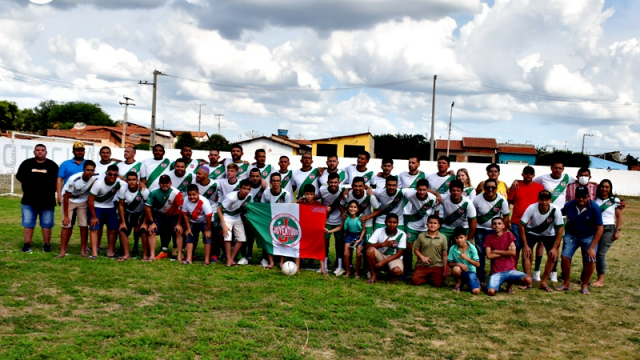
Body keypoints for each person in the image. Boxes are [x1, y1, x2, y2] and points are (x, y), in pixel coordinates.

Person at [557, 186, 603, 295]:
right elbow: (559, 214)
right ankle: (566, 283)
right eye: (578, 197)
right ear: (575, 196)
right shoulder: (569, 205)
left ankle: (584, 285)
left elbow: (600, 228)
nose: (581, 199)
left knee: (591, 259)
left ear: (589, 197)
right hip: (572, 235)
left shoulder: (595, 208)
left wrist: (592, 247)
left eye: (584, 197)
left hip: (589, 236)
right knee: (565, 257)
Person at [16, 144, 59, 253]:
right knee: (28, 223)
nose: (40, 152)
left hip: (47, 201)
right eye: (38, 150)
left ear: (46, 152)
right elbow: (19, 176)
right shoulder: (26, 164)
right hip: (29, 200)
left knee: (47, 224)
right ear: (34, 152)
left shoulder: (52, 165)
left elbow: (58, 180)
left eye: (42, 150)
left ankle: (47, 245)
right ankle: (27, 244)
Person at [519, 190, 564, 291]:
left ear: (550, 200)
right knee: (526, 253)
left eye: (546, 200)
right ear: (538, 200)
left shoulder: (555, 209)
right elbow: (521, 224)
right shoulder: (532, 207)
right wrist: (525, 245)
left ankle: (543, 282)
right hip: (532, 232)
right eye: (542, 200)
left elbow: (560, 228)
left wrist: (555, 247)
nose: (544, 202)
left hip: (549, 234)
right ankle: (528, 280)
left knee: (553, 255)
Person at [473, 178, 511, 284]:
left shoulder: (502, 200)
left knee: (495, 254)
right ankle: (480, 276)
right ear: (484, 188)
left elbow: (506, 216)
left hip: (495, 231)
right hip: (480, 229)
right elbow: (473, 216)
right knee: (480, 253)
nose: (490, 189)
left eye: (493, 187)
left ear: (496, 188)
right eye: (488, 187)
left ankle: (495, 275)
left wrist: (504, 232)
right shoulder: (477, 199)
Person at [507, 166, 544, 271]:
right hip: (516, 222)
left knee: (528, 248)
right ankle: (513, 270)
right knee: (516, 247)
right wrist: (506, 218)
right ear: (522, 174)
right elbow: (508, 202)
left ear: (533, 175)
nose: (528, 175)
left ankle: (527, 273)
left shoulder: (539, 187)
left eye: (530, 173)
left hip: (532, 223)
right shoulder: (516, 186)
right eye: (526, 173)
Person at [58, 161, 97, 257]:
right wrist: (66, 216)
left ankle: (83, 250)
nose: (90, 172)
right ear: (83, 170)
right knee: (66, 225)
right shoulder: (74, 179)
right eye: (87, 170)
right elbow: (66, 197)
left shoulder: (95, 178)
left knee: (84, 226)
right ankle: (62, 251)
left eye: (92, 170)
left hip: (82, 201)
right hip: (69, 200)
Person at [485, 218, 532, 296]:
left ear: (503, 226)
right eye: (494, 224)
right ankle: (500, 283)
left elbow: (513, 253)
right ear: (491, 226)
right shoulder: (489, 237)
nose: (497, 225)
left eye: (499, 223)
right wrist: (507, 252)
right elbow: (489, 255)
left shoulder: (509, 235)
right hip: (497, 272)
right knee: (491, 292)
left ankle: (509, 284)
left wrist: (496, 251)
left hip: (510, 271)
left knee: (528, 280)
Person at [142, 175, 184, 261]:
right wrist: (151, 222)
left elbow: (182, 209)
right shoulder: (154, 192)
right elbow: (147, 207)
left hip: (174, 216)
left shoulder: (176, 193)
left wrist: (179, 224)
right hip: (159, 215)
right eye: (162, 183)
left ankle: (179, 254)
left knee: (179, 231)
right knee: (151, 230)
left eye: (167, 183)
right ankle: (152, 255)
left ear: (170, 183)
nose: (165, 185)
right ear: (159, 183)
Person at [87, 165, 125, 259]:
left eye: (115, 175)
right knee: (94, 227)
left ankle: (111, 251)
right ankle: (94, 253)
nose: (112, 176)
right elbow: (90, 200)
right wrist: (93, 216)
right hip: (96, 206)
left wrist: (141, 184)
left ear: (117, 176)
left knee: (113, 228)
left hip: (109, 206)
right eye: (110, 174)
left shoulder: (119, 182)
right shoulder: (99, 183)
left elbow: (130, 183)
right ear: (106, 174)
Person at [403, 179, 438, 276]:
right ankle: (408, 271)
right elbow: (398, 191)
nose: (421, 192)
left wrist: (434, 226)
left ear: (428, 189)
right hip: (412, 225)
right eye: (419, 190)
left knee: (425, 248)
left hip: (425, 227)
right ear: (416, 189)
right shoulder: (410, 194)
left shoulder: (433, 198)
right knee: (408, 246)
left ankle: (421, 270)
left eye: (424, 190)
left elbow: (437, 212)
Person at [591, 180, 622, 287]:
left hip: (608, 229)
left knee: (601, 254)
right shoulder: (595, 199)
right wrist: (594, 183)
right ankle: (585, 276)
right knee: (591, 253)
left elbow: (618, 216)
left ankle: (600, 280)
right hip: (595, 228)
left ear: (610, 188)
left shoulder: (614, 200)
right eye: (602, 186)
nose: (604, 189)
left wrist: (618, 230)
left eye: (607, 187)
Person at [325, 200, 366, 278]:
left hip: (358, 236)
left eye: (355, 207)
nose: (353, 209)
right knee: (346, 254)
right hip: (349, 236)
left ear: (358, 209)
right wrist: (329, 231)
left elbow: (364, 229)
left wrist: (360, 239)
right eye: (351, 207)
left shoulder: (360, 217)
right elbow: (340, 227)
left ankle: (357, 272)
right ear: (347, 208)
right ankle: (348, 272)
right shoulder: (346, 217)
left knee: (358, 253)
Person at [260, 172, 292, 269]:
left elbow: (288, 209)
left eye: (278, 181)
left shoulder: (286, 194)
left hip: (282, 220)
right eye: (273, 181)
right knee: (268, 239)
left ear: (281, 182)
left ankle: (282, 261)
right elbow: (262, 207)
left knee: (283, 239)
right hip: (269, 219)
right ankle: (271, 262)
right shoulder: (266, 192)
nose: (275, 183)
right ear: (270, 182)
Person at [218, 179, 253, 267]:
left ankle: (231, 258)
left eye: (248, 189)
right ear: (239, 188)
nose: (246, 191)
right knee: (227, 238)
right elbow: (219, 209)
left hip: (237, 216)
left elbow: (249, 208)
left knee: (242, 239)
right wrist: (224, 225)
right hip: (227, 216)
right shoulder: (231, 197)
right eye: (244, 188)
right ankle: (229, 260)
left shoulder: (249, 196)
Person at [117, 171, 150, 261]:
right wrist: (122, 222)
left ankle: (145, 255)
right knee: (122, 230)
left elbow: (148, 207)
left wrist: (145, 223)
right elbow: (121, 205)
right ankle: (126, 254)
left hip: (141, 214)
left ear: (137, 180)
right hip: (129, 213)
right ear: (126, 180)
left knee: (143, 230)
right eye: (129, 180)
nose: (131, 182)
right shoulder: (123, 189)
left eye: (134, 180)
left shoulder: (144, 191)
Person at [365, 213, 406, 284]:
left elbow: (399, 253)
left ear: (398, 223)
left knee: (397, 272)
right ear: (385, 222)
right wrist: (382, 244)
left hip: (394, 257)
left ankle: (390, 274)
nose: (392, 224)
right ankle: (374, 275)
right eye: (389, 222)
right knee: (370, 250)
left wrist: (383, 262)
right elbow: (367, 246)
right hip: (381, 255)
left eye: (394, 222)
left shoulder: (402, 234)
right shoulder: (379, 231)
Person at [320, 172, 346, 275]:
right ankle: (325, 265)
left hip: (339, 222)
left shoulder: (343, 190)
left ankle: (339, 266)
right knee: (325, 244)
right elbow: (314, 197)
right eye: (331, 182)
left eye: (335, 182)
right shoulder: (322, 190)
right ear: (327, 182)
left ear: (339, 182)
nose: (333, 184)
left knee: (339, 245)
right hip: (326, 221)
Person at [411, 215, 448, 287]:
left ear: (438, 225)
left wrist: (445, 270)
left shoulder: (443, 237)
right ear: (427, 224)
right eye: (430, 223)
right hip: (422, 265)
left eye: (435, 223)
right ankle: (427, 276)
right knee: (415, 281)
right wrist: (422, 257)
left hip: (437, 265)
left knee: (439, 284)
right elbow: (416, 250)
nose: (432, 225)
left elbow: (444, 255)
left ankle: (431, 276)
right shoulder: (421, 236)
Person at [438, 180, 477, 246]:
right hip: (446, 227)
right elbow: (430, 193)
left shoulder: (468, 203)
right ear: (450, 191)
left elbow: (473, 222)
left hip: (463, 228)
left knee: (461, 249)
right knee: (439, 245)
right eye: (453, 190)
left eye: (458, 190)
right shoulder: (444, 198)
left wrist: (469, 238)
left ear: (462, 191)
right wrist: (436, 194)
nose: (456, 193)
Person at [181, 184, 214, 265]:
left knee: (207, 238)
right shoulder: (186, 200)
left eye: (194, 195)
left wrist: (207, 230)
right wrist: (188, 228)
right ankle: (189, 259)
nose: (192, 197)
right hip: (193, 221)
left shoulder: (204, 202)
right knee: (189, 237)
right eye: (190, 195)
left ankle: (206, 261)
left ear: (198, 194)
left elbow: (209, 216)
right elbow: (185, 214)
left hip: (206, 221)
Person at [194, 166, 221, 262]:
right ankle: (192, 253)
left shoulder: (215, 184)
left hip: (212, 212)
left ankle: (215, 254)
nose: (197, 175)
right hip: (198, 213)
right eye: (197, 173)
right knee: (194, 233)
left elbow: (220, 195)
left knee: (213, 234)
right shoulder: (195, 184)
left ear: (206, 175)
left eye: (199, 173)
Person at [448, 227, 481, 294]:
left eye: (461, 237)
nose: (459, 240)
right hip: (460, 271)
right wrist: (458, 264)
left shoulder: (472, 248)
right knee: (456, 269)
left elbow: (478, 264)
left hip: (470, 271)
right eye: (457, 238)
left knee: (476, 291)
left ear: (466, 237)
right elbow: (450, 263)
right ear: (455, 238)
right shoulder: (453, 248)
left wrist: (467, 258)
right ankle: (458, 282)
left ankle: (474, 280)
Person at [57, 142, 86, 206]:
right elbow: (59, 180)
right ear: (73, 152)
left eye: (82, 150)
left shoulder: (88, 164)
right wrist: (59, 196)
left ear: (84, 152)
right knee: (68, 216)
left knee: (83, 216)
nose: (80, 152)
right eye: (78, 150)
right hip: (68, 197)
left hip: (84, 198)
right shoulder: (65, 164)